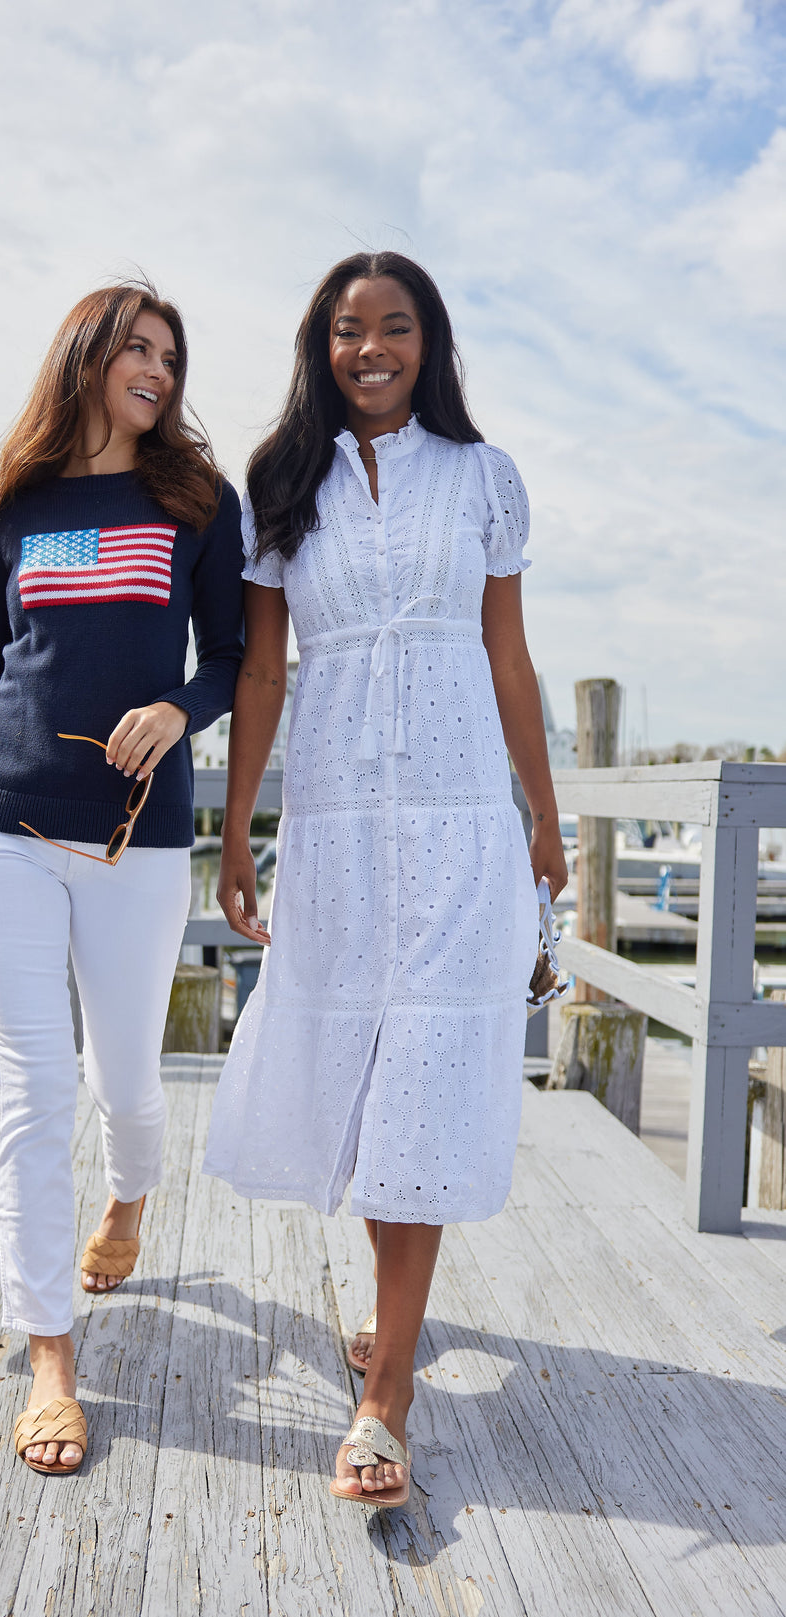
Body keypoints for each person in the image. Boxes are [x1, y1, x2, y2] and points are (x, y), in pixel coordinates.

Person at [203, 251, 566, 1508]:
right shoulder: (277, 483)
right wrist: (239, 825)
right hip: (336, 824)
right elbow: (260, 672)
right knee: (363, 1078)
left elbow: (508, 661)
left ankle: (387, 1389)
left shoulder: (481, 477)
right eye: (348, 330)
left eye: (394, 327)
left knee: (424, 1069)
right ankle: (392, 1330)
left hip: (462, 815)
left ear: (429, 341)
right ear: (320, 345)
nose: (370, 348)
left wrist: (542, 817)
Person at [0, 281, 243, 1476]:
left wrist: (177, 705)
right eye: (137, 349)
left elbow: (239, 658)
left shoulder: (199, 503)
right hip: (0, 816)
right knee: (34, 1085)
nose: (157, 368)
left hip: (135, 837)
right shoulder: (14, 510)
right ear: (87, 359)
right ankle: (50, 1351)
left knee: (126, 1081)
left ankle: (128, 1200)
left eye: (170, 353)